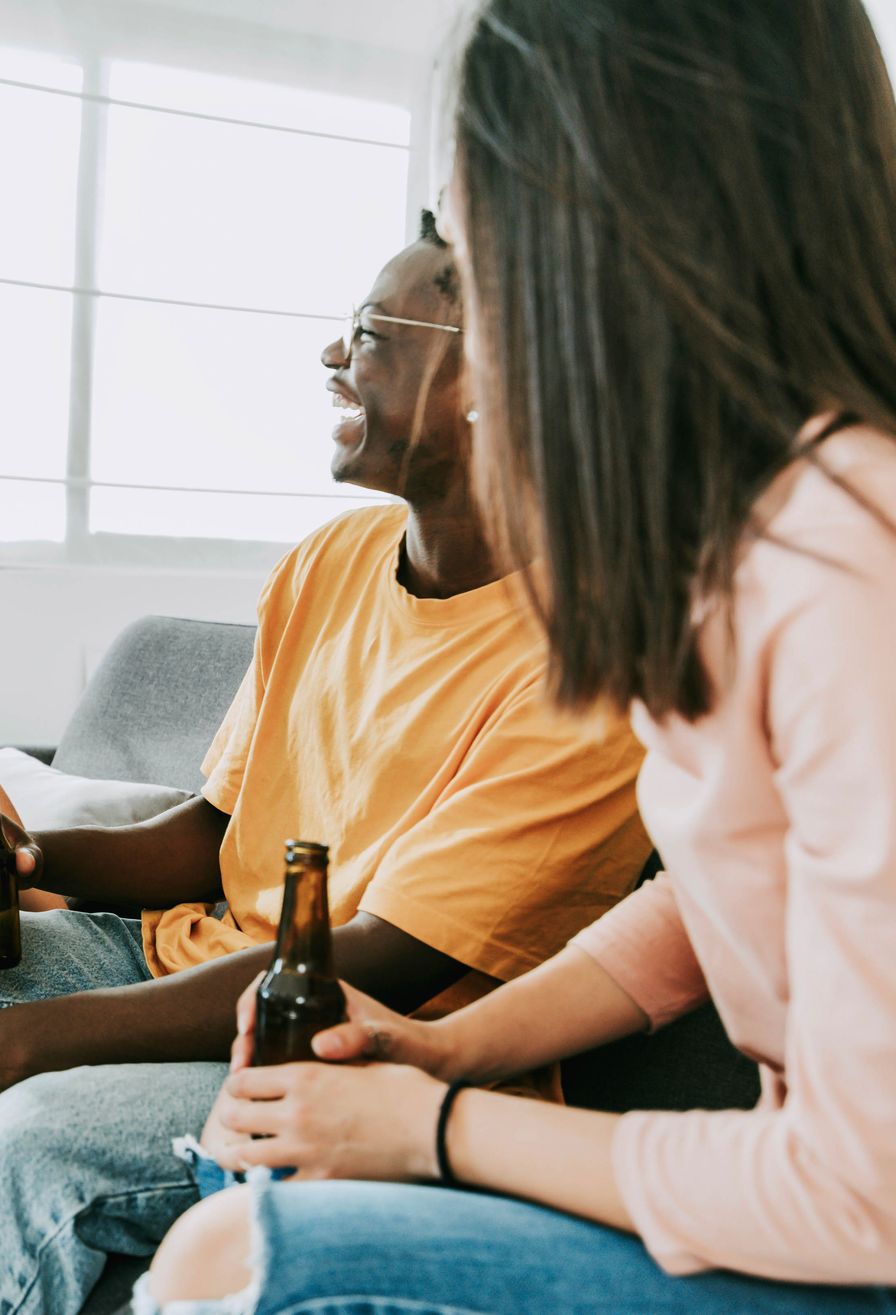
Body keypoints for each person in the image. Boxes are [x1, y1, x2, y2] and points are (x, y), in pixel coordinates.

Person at [0, 218, 655, 1315]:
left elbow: (375, 965)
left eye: (367, 332)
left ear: (493, 380)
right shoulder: (332, 560)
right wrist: (34, 851)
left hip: (340, 1056)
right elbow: (216, 835)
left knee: (18, 1143)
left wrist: (19, 1043)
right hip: (170, 953)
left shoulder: (594, 667)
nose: (329, 356)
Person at [141, 2, 896, 1312]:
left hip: (849, 1229)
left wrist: (433, 1128)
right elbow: (718, 895)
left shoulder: (843, 556)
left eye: (477, 226)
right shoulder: (734, 528)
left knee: (240, 1260)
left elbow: (865, 1191)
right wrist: (443, 1049)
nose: (474, 295)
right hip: (810, 1207)